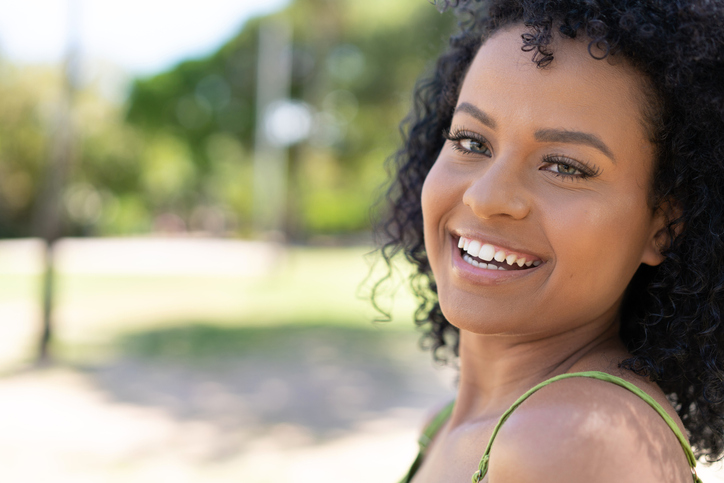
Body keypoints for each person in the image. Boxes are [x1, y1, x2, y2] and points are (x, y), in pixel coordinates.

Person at [375, 0, 724, 481]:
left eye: (564, 167)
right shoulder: (446, 426)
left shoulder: (569, 441)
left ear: (663, 226)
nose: (486, 197)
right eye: (472, 142)